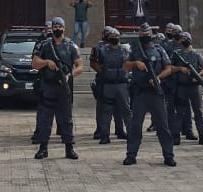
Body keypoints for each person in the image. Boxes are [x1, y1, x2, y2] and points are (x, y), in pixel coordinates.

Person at [123, 21, 175, 166]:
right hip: (140, 93)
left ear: (151, 35)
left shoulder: (159, 50)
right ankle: (131, 155)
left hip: (156, 93)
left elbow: (169, 68)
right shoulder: (133, 50)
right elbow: (125, 66)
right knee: (135, 126)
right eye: (142, 35)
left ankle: (168, 155)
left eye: (147, 35)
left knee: (163, 126)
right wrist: (135, 64)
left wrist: (158, 77)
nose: (144, 37)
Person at [32, 16, 82, 160]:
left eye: (60, 27)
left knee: (66, 119)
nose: (57, 29)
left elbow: (80, 66)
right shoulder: (44, 45)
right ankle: (43, 148)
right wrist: (47, 62)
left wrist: (69, 75)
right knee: (44, 119)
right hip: (47, 86)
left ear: (64, 28)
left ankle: (69, 148)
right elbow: (34, 63)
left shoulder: (71, 45)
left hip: (63, 87)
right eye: (55, 27)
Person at [90, 26, 130, 144]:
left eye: (116, 36)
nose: (114, 38)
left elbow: (128, 63)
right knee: (105, 111)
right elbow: (94, 63)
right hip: (106, 84)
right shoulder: (101, 49)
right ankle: (104, 134)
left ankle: (127, 132)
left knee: (125, 110)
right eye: (111, 36)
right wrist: (103, 72)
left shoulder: (124, 50)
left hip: (121, 83)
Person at [173, 32, 203, 145]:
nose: (184, 40)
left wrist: (198, 76)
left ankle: (202, 135)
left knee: (198, 112)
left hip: (194, 87)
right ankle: (176, 136)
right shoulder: (176, 54)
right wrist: (180, 69)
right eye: (182, 38)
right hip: (182, 87)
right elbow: (170, 67)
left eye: (186, 38)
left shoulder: (196, 54)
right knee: (180, 112)